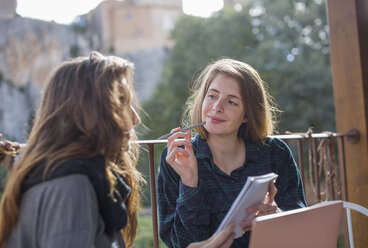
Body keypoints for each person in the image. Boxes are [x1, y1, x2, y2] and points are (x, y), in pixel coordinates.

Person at [0, 52, 236, 248]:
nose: (135, 119)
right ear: (88, 113)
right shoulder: (72, 186)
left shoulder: (71, 174)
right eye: (121, 103)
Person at [157, 58, 307, 247]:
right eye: (212, 96)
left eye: (231, 102)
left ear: (247, 115)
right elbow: (181, 244)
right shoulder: (177, 158)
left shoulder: (274, 152)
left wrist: (276, 217)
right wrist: (189, 181)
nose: (216, 107)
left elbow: (301, 230)